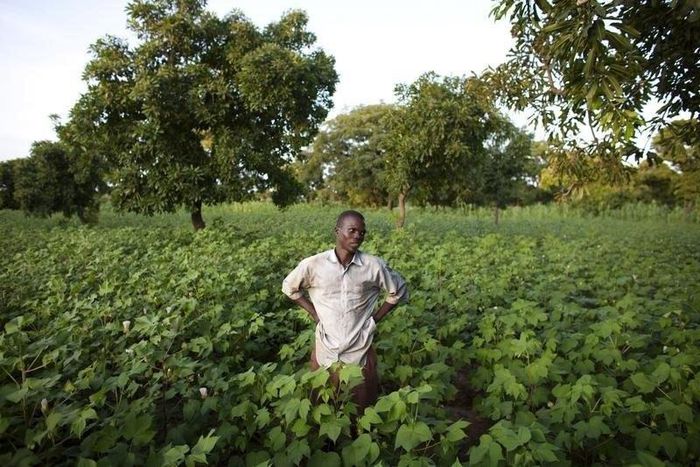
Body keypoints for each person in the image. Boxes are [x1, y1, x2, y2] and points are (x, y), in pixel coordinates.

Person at [282, 210, 408, 409]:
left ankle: (359, 437)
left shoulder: (373, 266)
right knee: (322, 403)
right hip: (326, 347)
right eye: (352, 230)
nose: (358, 236)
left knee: (361, 407)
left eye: (362, 232)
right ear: (337, 231)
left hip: (360, 346)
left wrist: (374, 320)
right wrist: (314, 313)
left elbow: (398, 291)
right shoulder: (314, 265)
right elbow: (289, 288)